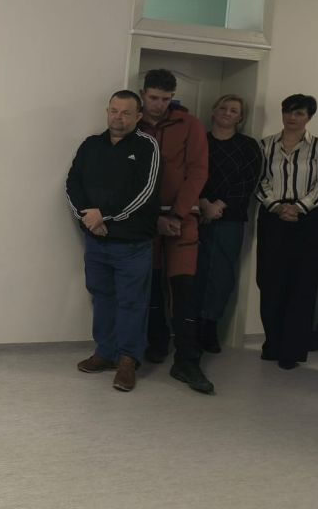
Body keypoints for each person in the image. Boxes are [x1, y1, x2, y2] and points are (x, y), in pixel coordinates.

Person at [66, 90, 160, 392]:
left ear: (138, 116)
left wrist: (104, 215)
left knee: (132, 302)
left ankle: (128, 361)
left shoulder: (147, 146)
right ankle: (105, 353)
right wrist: (88, 217)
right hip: (96, 242)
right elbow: (72, 183)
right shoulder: (91, 145)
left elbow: (144, 192)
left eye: (126, 112)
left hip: (132, 244)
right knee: (101, 296)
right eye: (114, 111)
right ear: (107, 111)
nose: (118, 117)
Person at [138, 69, 214, 395]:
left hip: (183, 219)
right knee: (150, 285)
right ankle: (156, 344)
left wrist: (178, 214)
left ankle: (187, 361)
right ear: (143, 95)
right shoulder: (133, 124)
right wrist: (152, 217)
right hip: (144, 221)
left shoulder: (189, 124)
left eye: (165, 99)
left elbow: (198, 172)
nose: (158, 105)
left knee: (184, 289)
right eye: (153, 98)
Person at [254, 94, 318, 370]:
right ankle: (272, 343)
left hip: (310, 219)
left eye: (299, 113)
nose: (292, 118)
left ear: (309, 117)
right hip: (273, 217)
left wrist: (299, 207)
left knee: (302, 283)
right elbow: (259, 180)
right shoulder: (265, 145)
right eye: (288, 112)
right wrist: (276, 206)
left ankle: (292, 350)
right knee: (269, 280)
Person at [195, 95, 262, 353]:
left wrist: (218, 206)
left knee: (222, 273)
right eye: (222, 107)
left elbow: (247, 181)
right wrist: (204, 203)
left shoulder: (248, 146)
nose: (227, 112)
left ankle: (209, 325)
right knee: (195, 271)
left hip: (230, 219)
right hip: (196, 215)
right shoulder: (198, 141)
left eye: (234, 110)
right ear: (213, 111)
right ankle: (190, 325)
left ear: (240, 118)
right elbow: (190, 174)